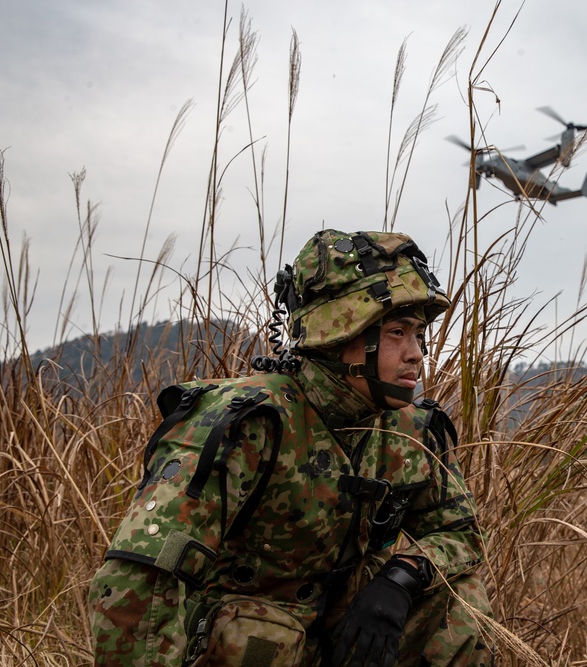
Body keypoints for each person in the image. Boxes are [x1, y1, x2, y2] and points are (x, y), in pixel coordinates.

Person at [88, 229, 494, 666]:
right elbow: (137, 581)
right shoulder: (246, 423)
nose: (416, 354)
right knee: (260, 636)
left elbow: (461, 532)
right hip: (244, 643)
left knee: (459, 602)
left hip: (336, 638)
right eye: (397, 332)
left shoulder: (408, 430)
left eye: (419, 335)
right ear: (340, 335)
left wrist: (400, 578)